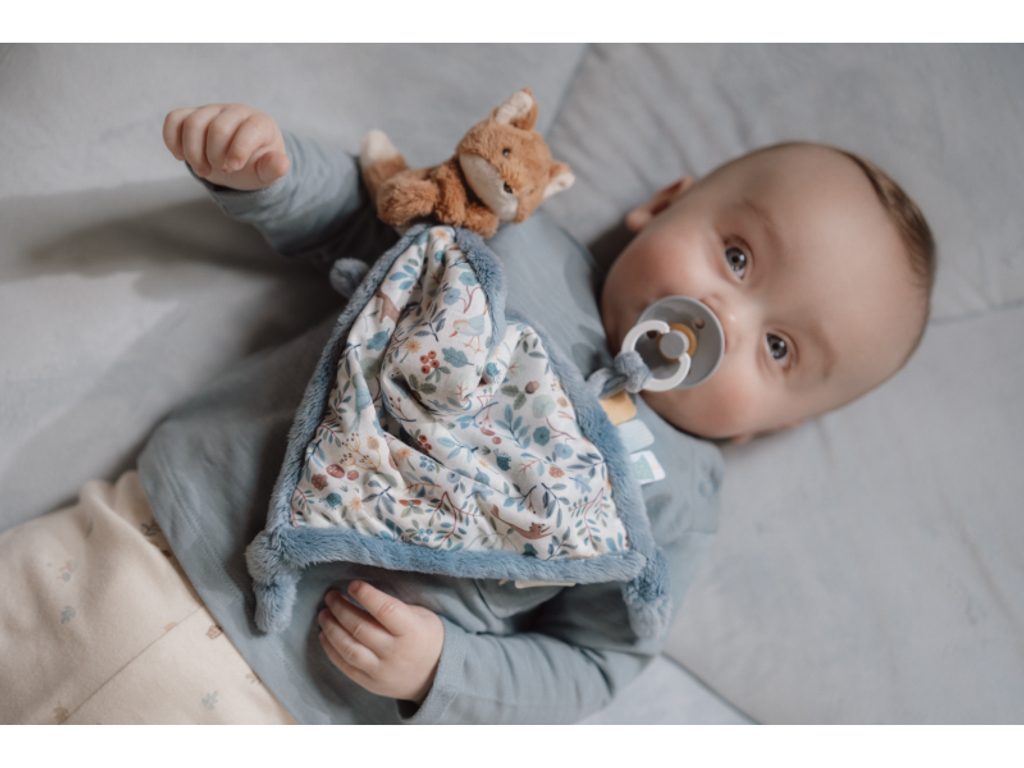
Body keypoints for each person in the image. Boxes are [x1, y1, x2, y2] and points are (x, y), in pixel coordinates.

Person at [0, 102, 934, 724]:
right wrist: (272, 174)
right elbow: (364, 214)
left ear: (765, 427)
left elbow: (590, 666)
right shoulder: (514, 237)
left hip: (282, 707)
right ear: (664, 204)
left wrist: (442, 670)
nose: (724, 315)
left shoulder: (674, 507)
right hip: (142, 541)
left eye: (780, 349)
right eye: (736, 257)